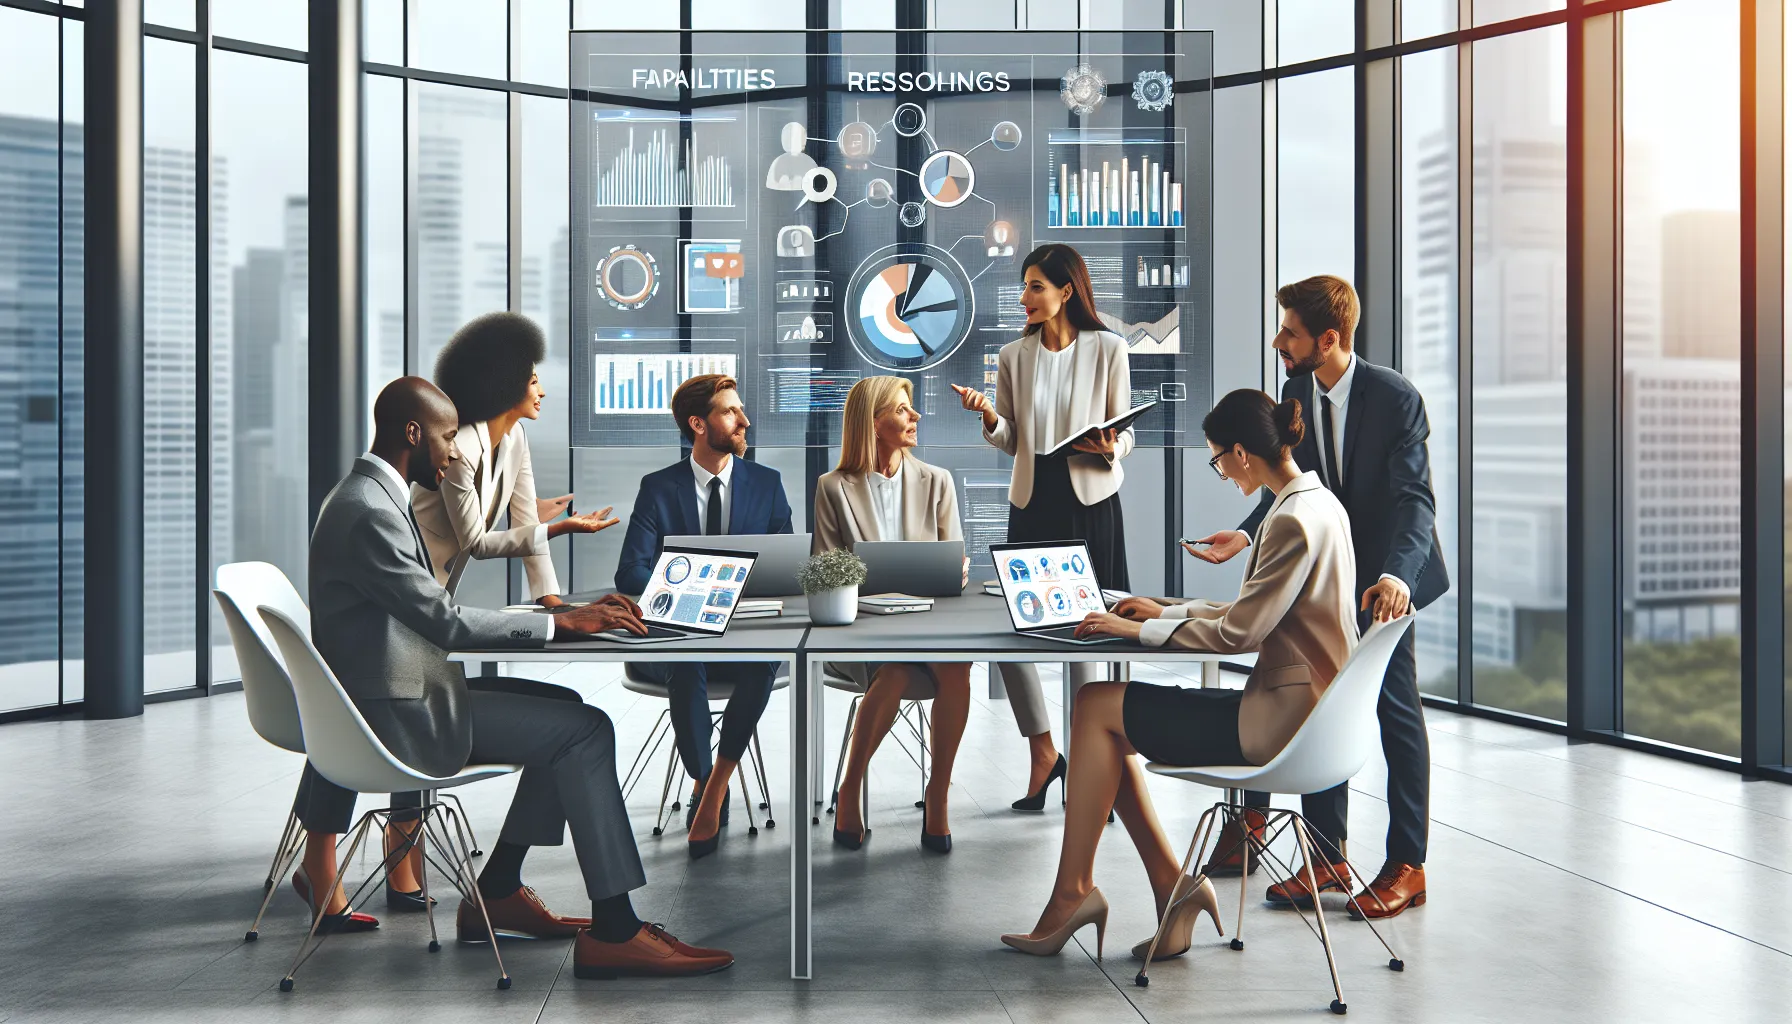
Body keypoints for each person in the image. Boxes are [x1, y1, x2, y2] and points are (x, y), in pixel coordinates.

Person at [289, 376, 732, 978]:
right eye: (447, 437)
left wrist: (562, 617)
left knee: (567, 709)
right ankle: (615, 930)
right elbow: (444, 621)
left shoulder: (365, 496)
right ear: (413, 433)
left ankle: (498, 892)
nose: (453, 453)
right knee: (584, 731)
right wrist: (560, 623)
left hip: (405, 693)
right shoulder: (368, 512)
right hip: (398, 715)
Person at [999, 389, 1360, 962]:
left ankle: (1075, 894)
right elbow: (1254, 615)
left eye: (1218, 460)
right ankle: (1170, 889)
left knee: (1095, 706)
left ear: (1240, 453)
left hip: (1280, 725)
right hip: (1311, 715)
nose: (1222, 473)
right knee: (1104, 722)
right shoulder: (1320, 505)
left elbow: (1239, 635)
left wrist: (1133, 630)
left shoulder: (1290, 520)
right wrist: (1164, 610)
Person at [1185, 275, 1447, 919]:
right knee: (1311, 697)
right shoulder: (1297, 391)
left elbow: (1415, 502)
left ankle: (1408, 864)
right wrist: (1249, 534)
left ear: (1328, 339)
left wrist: (1398, 577)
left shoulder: (1394, 397)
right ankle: (1327, 857)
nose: (1279, 342)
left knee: (1394, 709)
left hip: (1383, 581)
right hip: (1326, 572)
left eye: (1290, 333)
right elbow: (1296, 485)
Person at [814, 376, 1043, 852]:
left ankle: (938, 794)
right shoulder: (833, 487)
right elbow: (825, 570)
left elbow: (950, 563)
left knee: (957, 668)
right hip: (861, 633)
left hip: (928, 625)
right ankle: (851, 787)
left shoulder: (936, 481)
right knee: (896, 671)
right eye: (902, 409)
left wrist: (955, 571)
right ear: (872, 423)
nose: (915, 416)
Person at [952, 243, 1134, 809]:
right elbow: (1012, 439)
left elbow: (1126, 431)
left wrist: (1110, 446)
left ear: (1066, 291)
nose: (1024, 297)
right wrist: (990, 418)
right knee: (1018, 630)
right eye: (1024, 286)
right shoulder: (1014, 355)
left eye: (1035, 286)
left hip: (1090, 497)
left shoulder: (1109, 348)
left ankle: (1090, 771)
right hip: (1033, 499)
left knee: (1089, 628)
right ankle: (1043, 751)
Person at [615, 374, 792, 859]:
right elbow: (630, 571)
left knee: (763, 660)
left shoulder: (767, 484)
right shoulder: (658, 488)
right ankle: (704, 779)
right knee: (686, 658)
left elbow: (787, 567)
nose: (744, 420)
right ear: (698, 424)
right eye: (731, 411)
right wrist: (695, 588)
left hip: (744, 639)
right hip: (679, 638)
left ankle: (713, 788)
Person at [414, 311, 618, 604]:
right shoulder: (461, 449)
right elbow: (477, 544)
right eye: (534, 382)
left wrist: (553, 604)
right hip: (411, 577)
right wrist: (560, 528)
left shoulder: (516, 437)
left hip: (437, 587)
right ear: (505, 386)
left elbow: (526, 521)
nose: (542, 392)